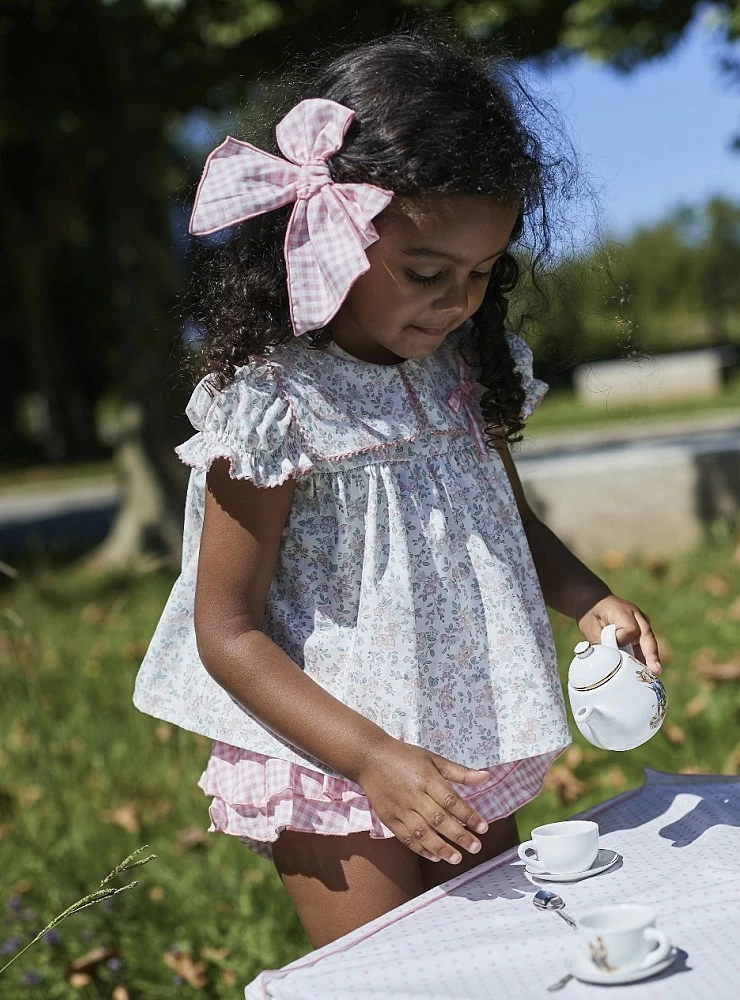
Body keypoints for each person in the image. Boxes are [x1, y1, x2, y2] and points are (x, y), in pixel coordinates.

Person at [134, 31, 662, 950]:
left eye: (481, 274)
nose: (457, 302)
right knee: (389, 973)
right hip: (333, 757)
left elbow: (510, 525)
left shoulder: (463, 375)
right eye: (426, 273)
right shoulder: (272, 405)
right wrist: (371, 758)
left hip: (468, 728)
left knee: (494, 963)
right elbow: (226, 630)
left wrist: (591, 601)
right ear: (328, 236)